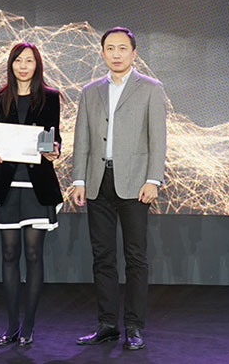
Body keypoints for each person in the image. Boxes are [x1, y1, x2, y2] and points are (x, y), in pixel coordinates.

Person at [72, 27, 167, 351]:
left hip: (135, 183)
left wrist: (153, 179)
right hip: (97, 181)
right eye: (110, 48)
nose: (116, 54)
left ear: (133, 53)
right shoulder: (90, 91)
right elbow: (82, 138)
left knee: (135, 257)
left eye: (122, 48)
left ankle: (134, 327)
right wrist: (79, 180)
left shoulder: (151, 88)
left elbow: (158, 139)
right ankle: (108, 324)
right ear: (102, 53)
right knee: (102, 257)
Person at [0, 42, 63, 347]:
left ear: (37, 65)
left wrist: (54, 151)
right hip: (7, 185)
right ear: (11, 64)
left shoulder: (51, 97)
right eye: (18, 60)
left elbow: (55, 139)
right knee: (8, 254)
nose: (23, 66)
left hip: (37, 186)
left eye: (29, 61)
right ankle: (11, 326)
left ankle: (28, 325)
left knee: (33, 254)